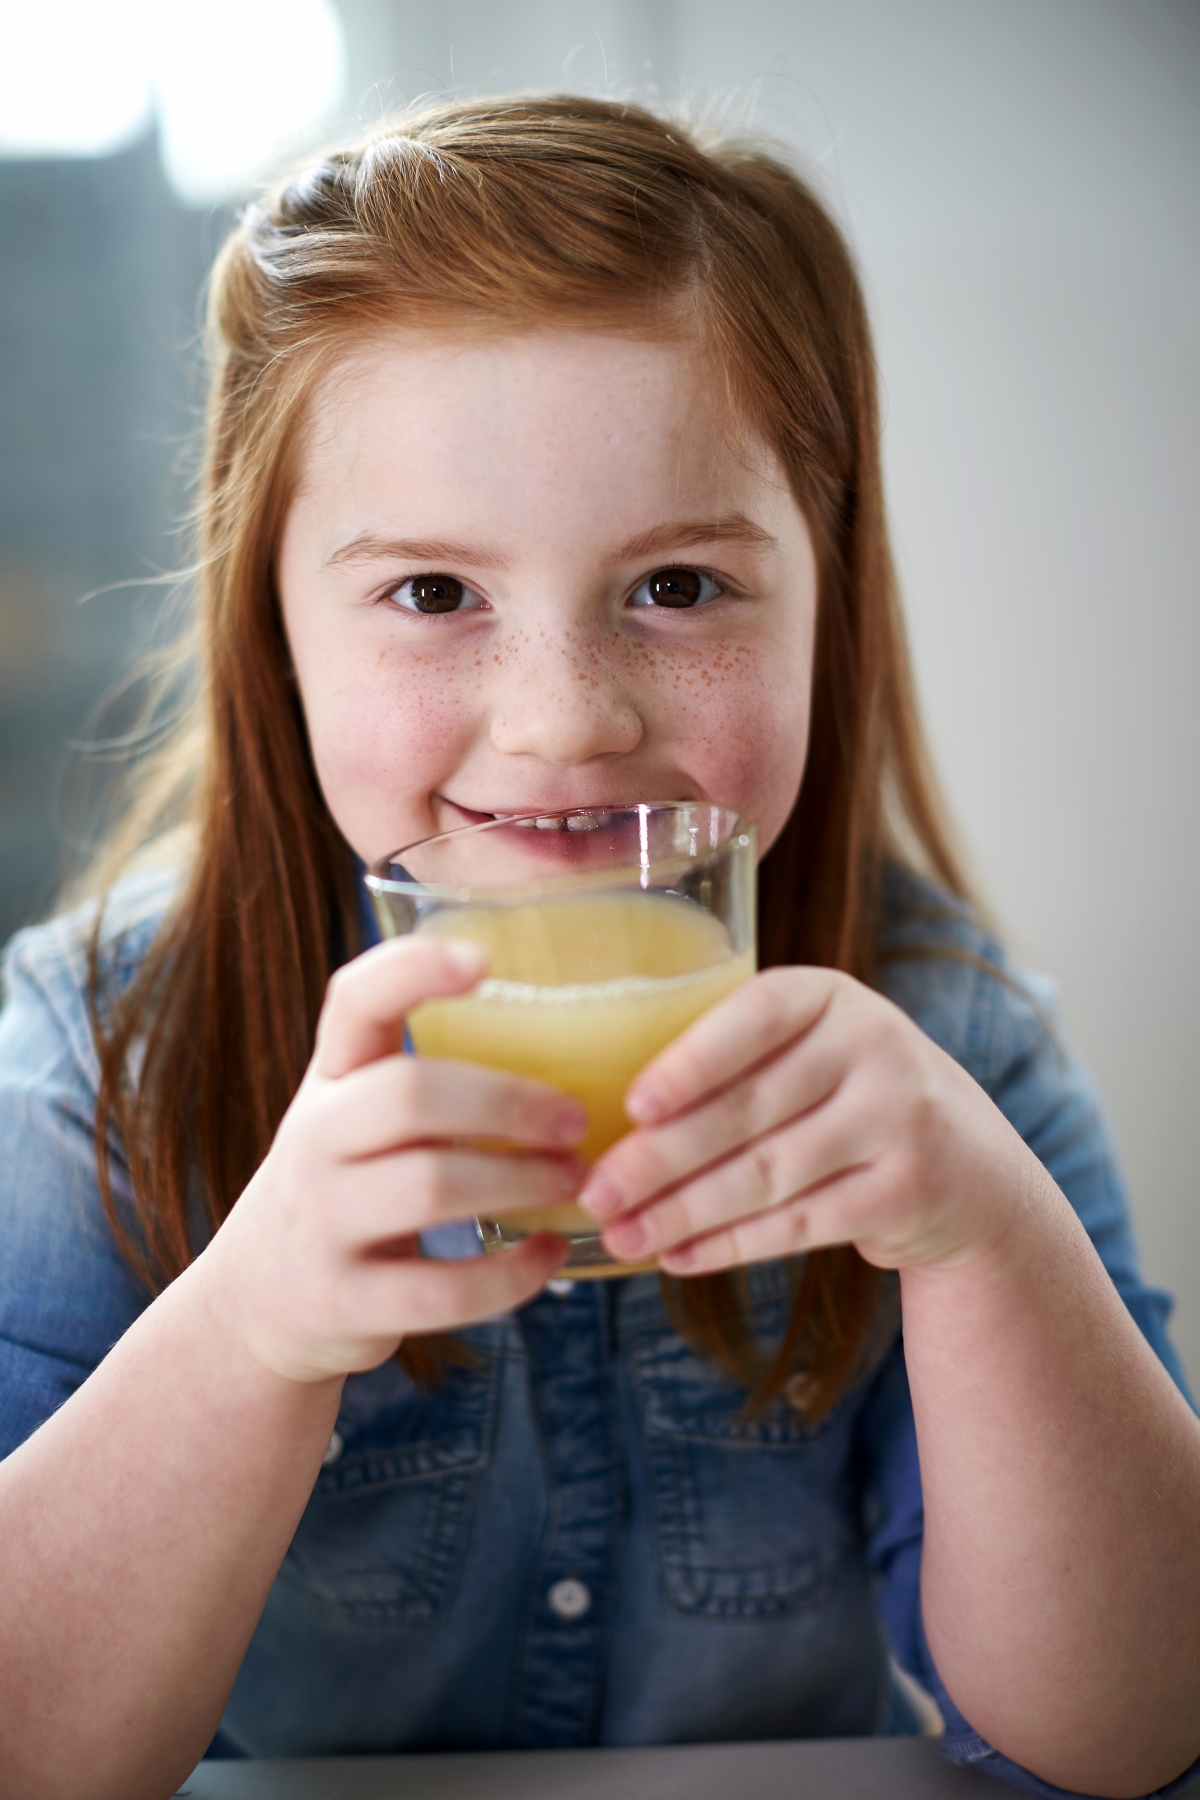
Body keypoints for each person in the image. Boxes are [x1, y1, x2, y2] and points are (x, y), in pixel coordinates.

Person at [0, 94, 1197, 1800]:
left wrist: (984, 1241)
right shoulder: (104, 1053)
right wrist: (253, 1329)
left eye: (680, 588)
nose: (563, 724)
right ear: (272, 622)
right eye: (432, 594)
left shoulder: (951, 1045)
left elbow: (1128, 1733)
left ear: (825, 597)